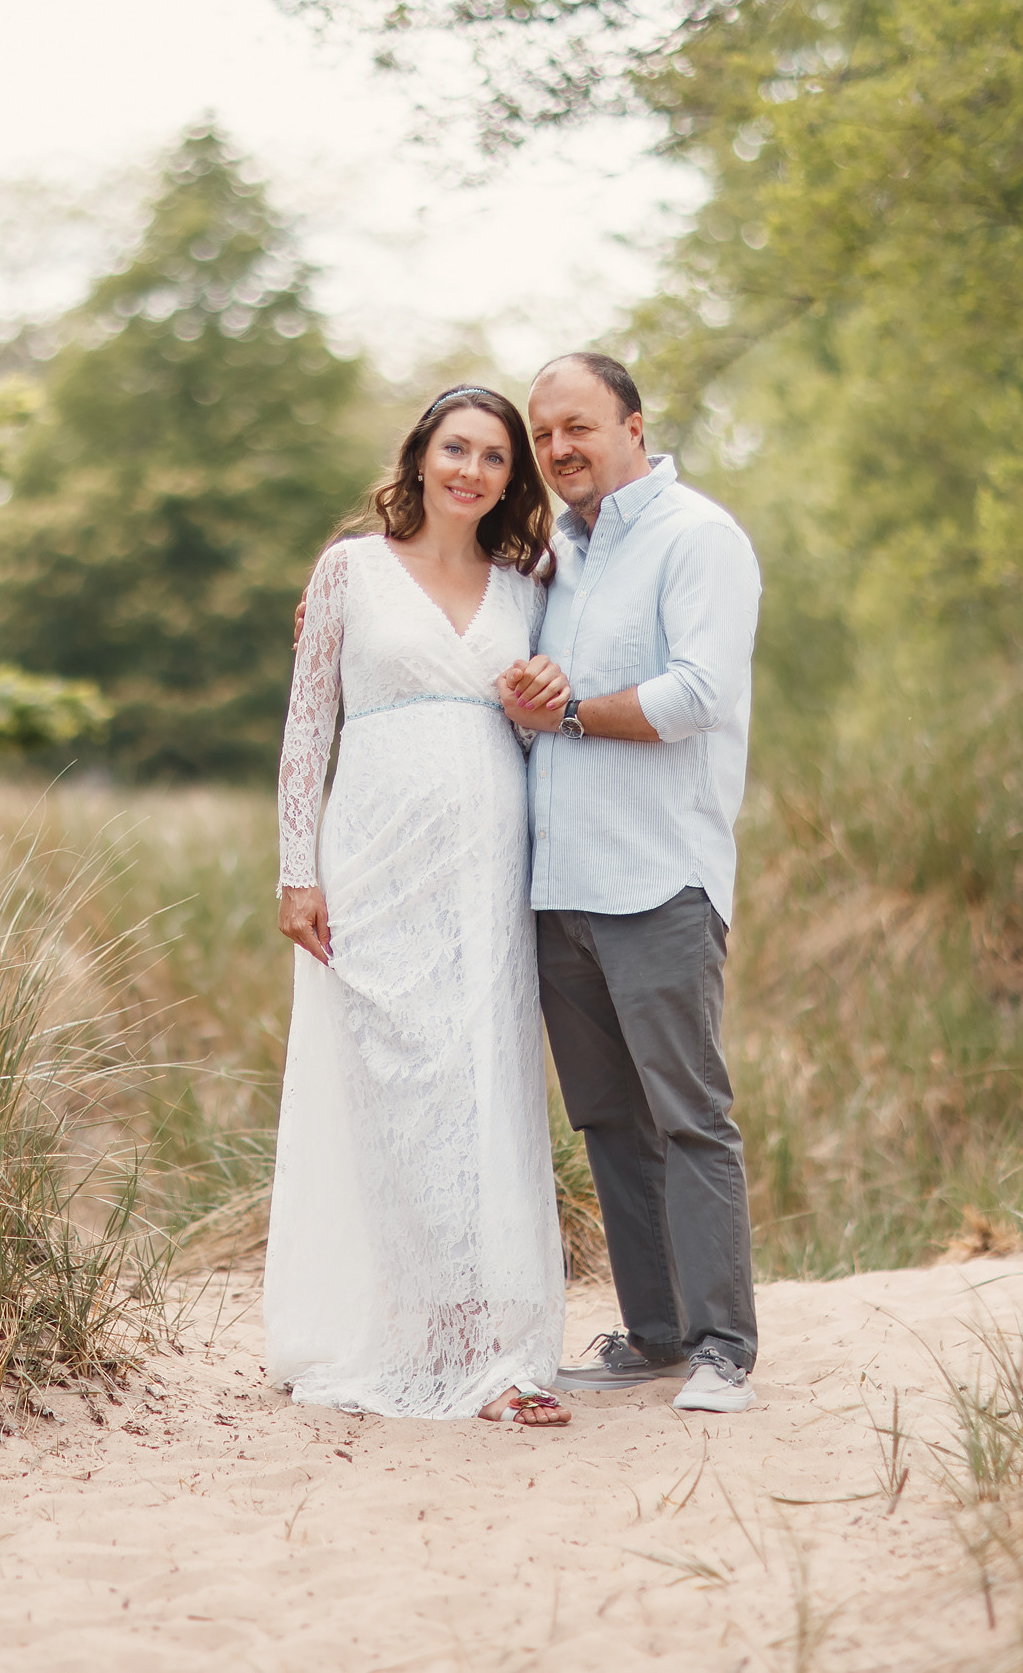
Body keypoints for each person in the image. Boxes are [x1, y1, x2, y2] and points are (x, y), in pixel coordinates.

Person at [264, 385, 578, 1427]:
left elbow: (538, 731)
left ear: (509, 480)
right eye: (457, 448)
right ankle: (415, 1334)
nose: (472, 471)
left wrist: (537, 705)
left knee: (484, 1083)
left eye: (495, 458)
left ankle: (495, 1351)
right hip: (372, 861)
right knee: (393, 1087)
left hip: (489, 868)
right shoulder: (349, 569)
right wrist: (293, 870)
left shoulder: (525, 585)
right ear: (420, 455)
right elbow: (310, 725)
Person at [495, 352, 763, 1415]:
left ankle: (722, 1348)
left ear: (633, 427)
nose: (559, 448)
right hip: (559, 885)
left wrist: (563, 711)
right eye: (544, 432)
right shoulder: (552, 555)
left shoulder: (697, 538)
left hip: (657, 878)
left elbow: (696, 694)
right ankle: (652, 1332)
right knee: (608, 1121)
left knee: (689, 1116)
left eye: (580, 427)